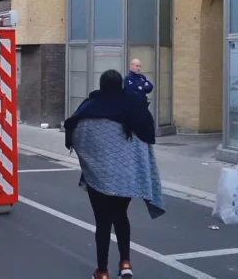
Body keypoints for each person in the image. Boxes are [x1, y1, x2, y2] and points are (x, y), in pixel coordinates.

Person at [64, 69, 164, 279]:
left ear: (101, 86)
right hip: (125, 177)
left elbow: (77, 136)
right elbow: (144, 141)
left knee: (102, 222)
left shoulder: (89, 107)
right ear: (120, 85)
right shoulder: (134, 107)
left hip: (97, 177)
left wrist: (92, 160)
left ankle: (102, 271)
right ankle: (125, 263)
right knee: (121, 217)